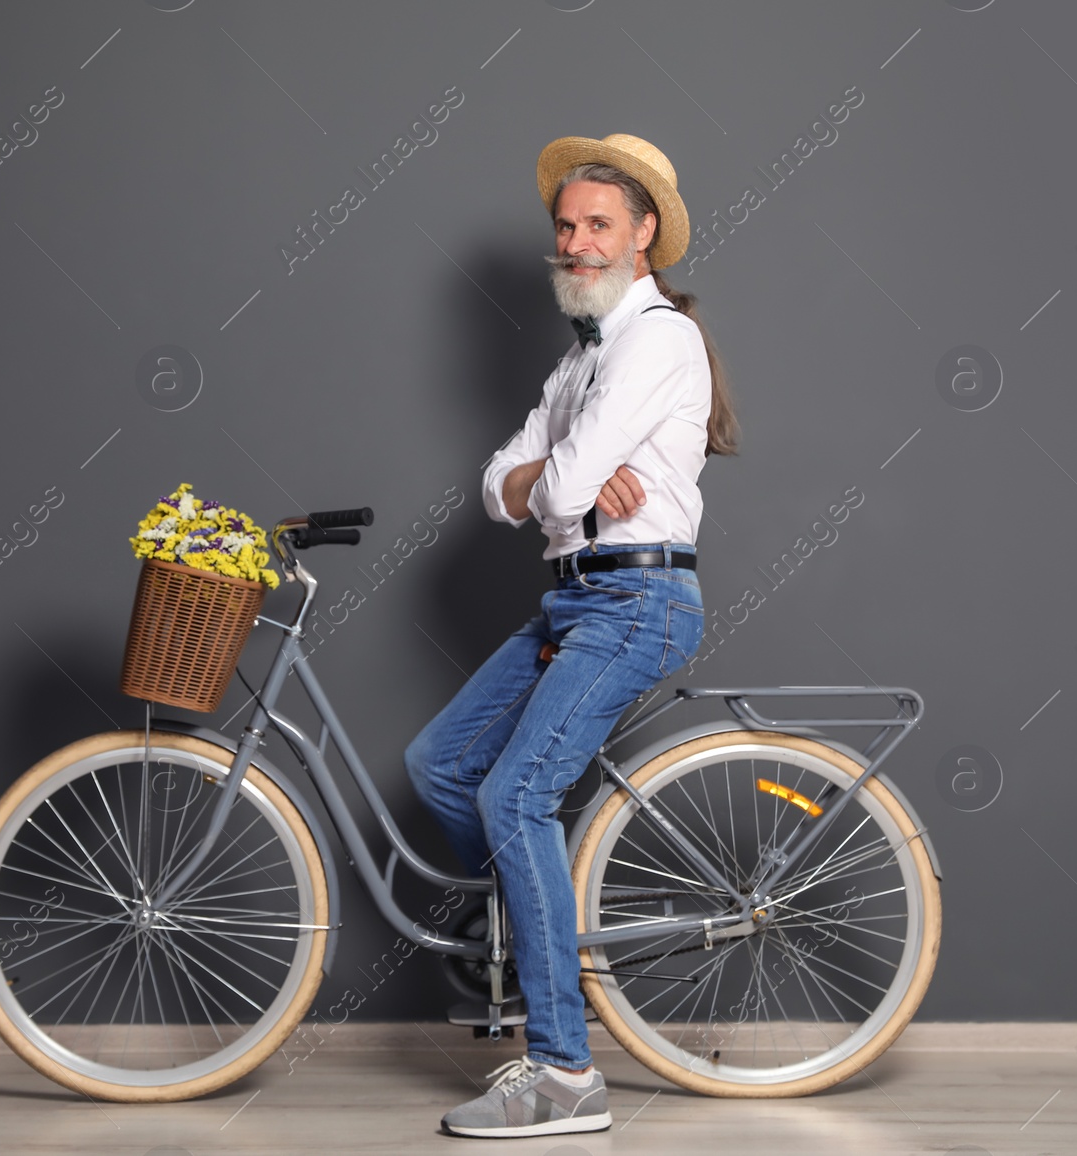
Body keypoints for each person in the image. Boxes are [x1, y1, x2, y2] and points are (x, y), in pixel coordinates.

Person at [404, 133, 740, 1139]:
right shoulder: (578, 359)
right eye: (564, 225)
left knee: (513, 792)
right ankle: (523, 925)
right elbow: (500, 485)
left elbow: (543, 490)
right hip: (574, 601)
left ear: (643, 235)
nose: (576, 240)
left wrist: (562, 486)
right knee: (440, 764)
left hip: (636, 601)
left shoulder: (657, 340)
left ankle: (562, 1075)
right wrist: (566, 479)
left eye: (598, 223)